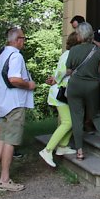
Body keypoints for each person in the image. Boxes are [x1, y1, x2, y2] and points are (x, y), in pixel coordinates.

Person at [0, 26, 35, 191]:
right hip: (14, 104)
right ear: (16, 40)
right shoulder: (15, 56)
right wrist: (28, 84)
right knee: (10, 142)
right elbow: (14, 79)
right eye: (23, 38)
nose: (24, 41)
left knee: (1, 140)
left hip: (3, 103)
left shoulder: (1, 55)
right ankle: (5, 180)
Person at [66, 21, 100, 160]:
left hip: (75, 85)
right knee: (95, 113)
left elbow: (68, 71)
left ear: (80, 35)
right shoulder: (97, 50)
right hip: (92, 86)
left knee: (77, 118)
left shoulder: (73, 50)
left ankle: (79, 151)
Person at [39, 31, 80, 167]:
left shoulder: (69, 54)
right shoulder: (68, 55)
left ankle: (62, 146)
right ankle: (47, 150)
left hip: (66, 93)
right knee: (68, 122)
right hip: (61, 93)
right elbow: (62, 72)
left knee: (72, 121)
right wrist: (68, 72)